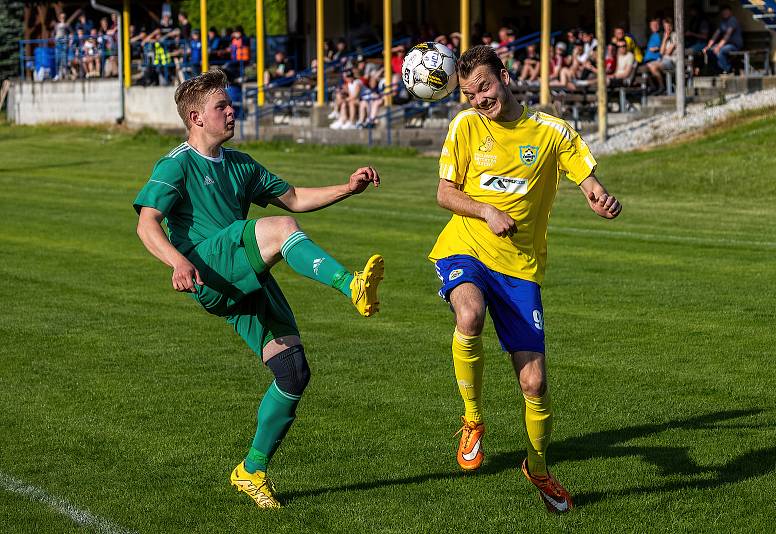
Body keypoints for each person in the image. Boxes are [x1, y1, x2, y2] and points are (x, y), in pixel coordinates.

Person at [133, 69, 385, 509]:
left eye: (230, 104)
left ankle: (250, 470)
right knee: (281, 229)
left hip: (243, 274)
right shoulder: (176, 164)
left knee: (293, 373)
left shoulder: (241, 164)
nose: (232, 111)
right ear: (196, 117)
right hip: (209, 267)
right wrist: (176, 261)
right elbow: (146, 222)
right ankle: (352, 286)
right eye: (221, 107)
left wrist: (349, 187)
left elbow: (295, 197)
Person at [430, 45, 621, 514]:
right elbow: (444, 193)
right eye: (469, 93)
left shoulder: (551, 132)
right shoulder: (466, 126)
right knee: (469, 314)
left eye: (485, 88)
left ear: (505, 77)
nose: (478, 99)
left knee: (534, 384)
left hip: (520, 269)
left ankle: (537, 468)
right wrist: (486, 210)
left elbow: (587, 178)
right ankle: (473, 420)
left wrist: (599, 197)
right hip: (466, 247)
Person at [703, 5, 742, 74]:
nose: (725, 13)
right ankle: (718, 70)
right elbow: (715, 35)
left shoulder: (733, 20)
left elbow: (727, 36)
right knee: (709, 51)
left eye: (726, 11)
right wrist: (708, 46)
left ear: (730, 12)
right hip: (725, 44)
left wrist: (718, 46)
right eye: (723, 12)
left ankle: (728, 70)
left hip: (734, 45)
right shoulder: (722, 22)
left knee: (720, 51)